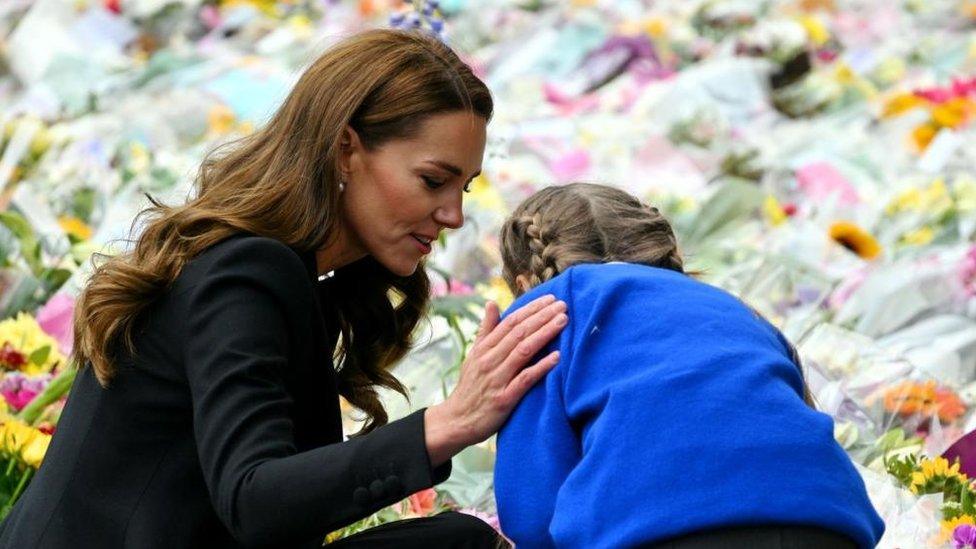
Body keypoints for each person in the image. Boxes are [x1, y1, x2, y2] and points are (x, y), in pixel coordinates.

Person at [0, 30, 568, 548]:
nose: (455, 215)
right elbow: (254, 498)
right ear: (346, 150)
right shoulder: (246, 272)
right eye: (433, 181)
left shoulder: (288, 271)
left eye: (465, 187)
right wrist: (451, 423)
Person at [493, 183, 885, 549]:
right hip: (829, 520)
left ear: (527, 284)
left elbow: (531, 513)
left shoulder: (549, 314)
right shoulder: (736, 310)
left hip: (661, 530)